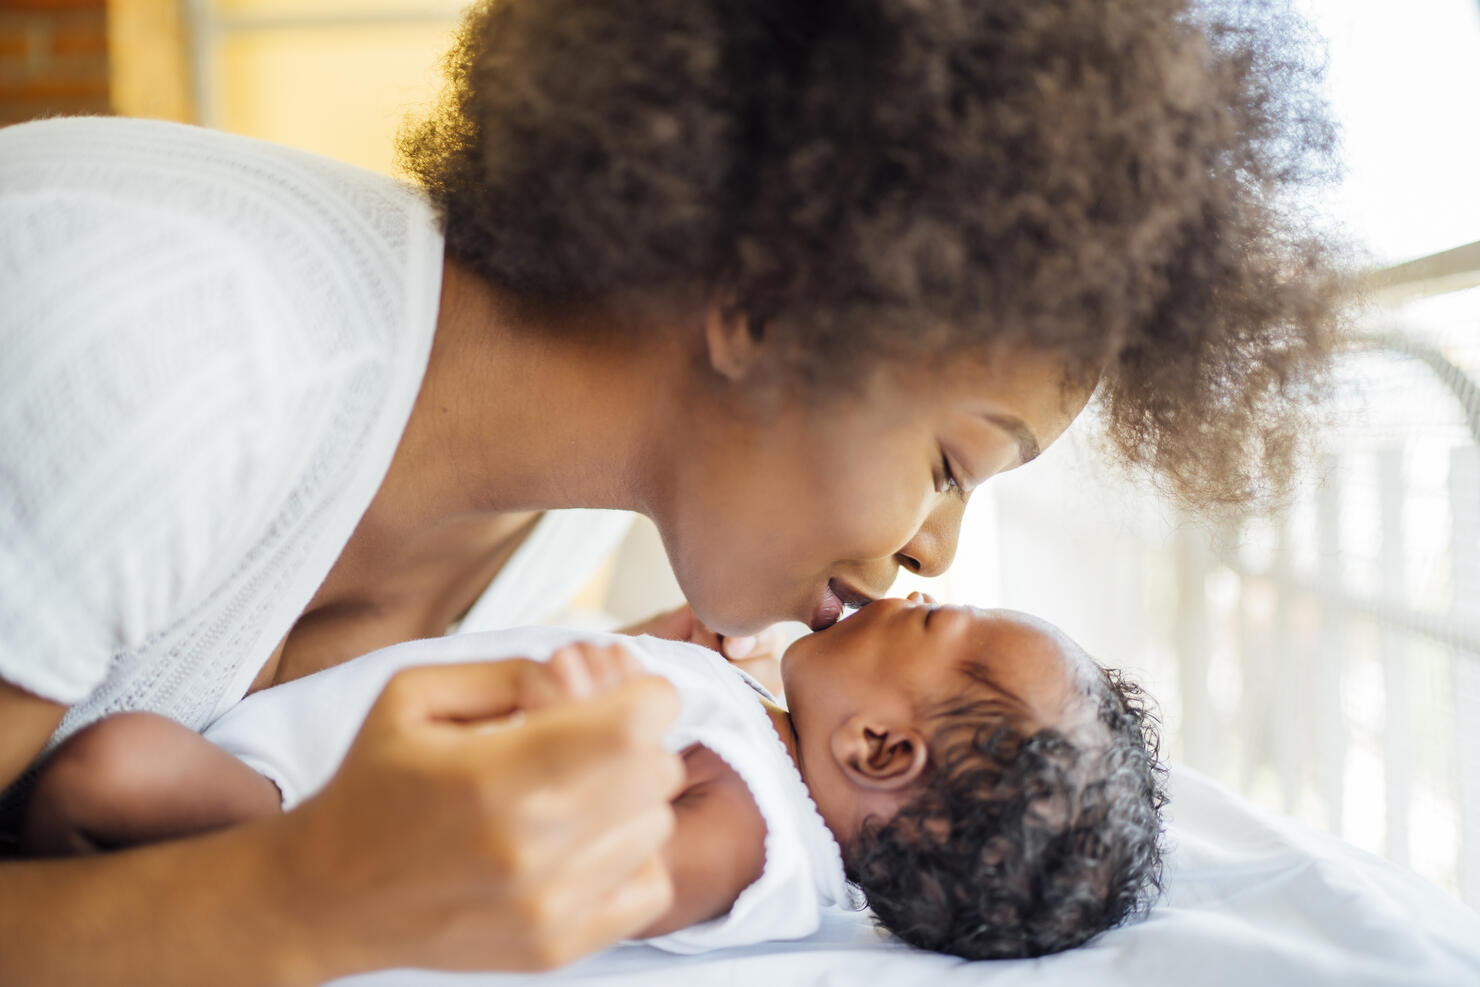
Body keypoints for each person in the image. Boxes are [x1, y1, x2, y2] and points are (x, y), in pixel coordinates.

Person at [0, 0, 1341, 980]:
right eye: (950, 462)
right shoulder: (164, 349)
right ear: (766, 299)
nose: (934, 552)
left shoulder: (549, 539)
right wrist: (301, 894)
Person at [22, 595, 1166, 961]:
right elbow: (644, 670)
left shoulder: (750, 833)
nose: (906, 592)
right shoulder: (752, 723)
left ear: (878, 751)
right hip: (302, 765)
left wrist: (568, 737)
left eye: (931, 623)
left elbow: (599, 874)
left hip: (308, 819)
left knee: (109, 772)